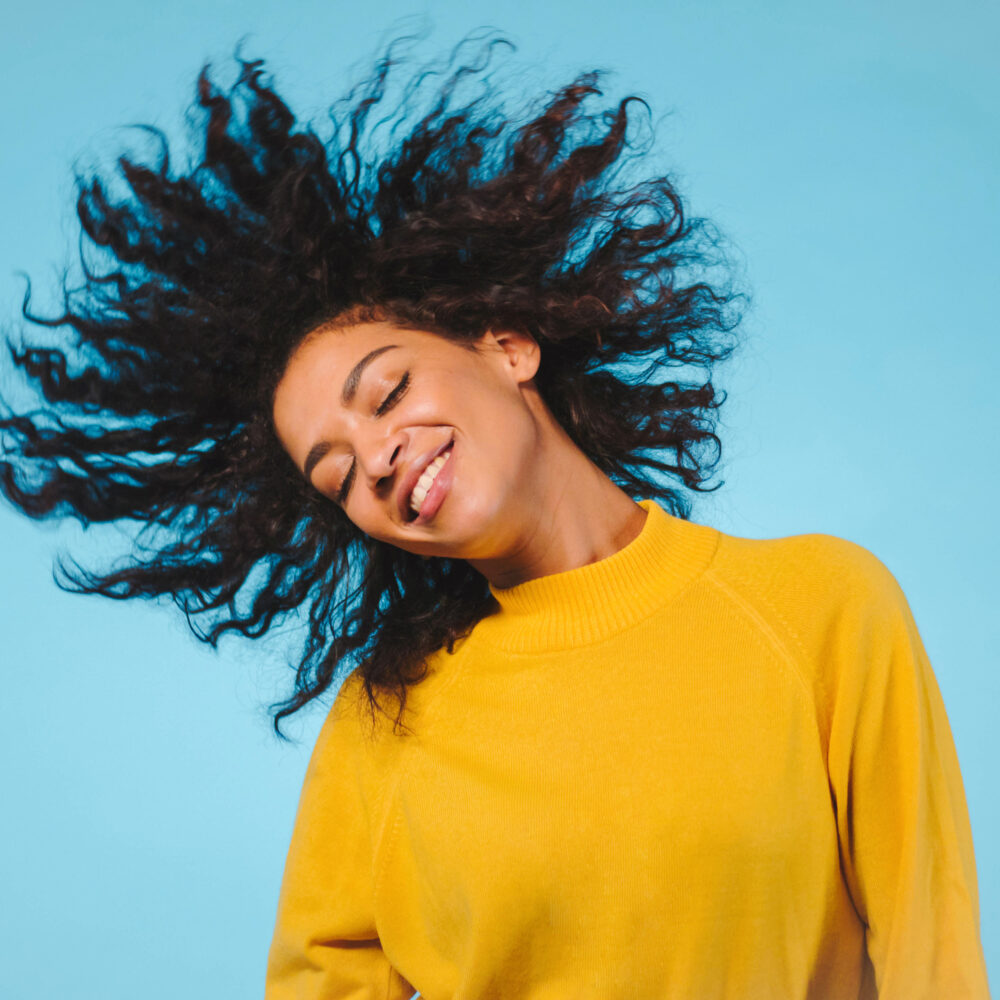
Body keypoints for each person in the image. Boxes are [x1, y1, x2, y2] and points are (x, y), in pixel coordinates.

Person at [0, 34, 990, 1000]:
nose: (376, 459)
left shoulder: (817, 608)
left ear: (507, 346)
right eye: (338, 476)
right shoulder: (387, 723)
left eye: (387, 392)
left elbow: (931, 954)